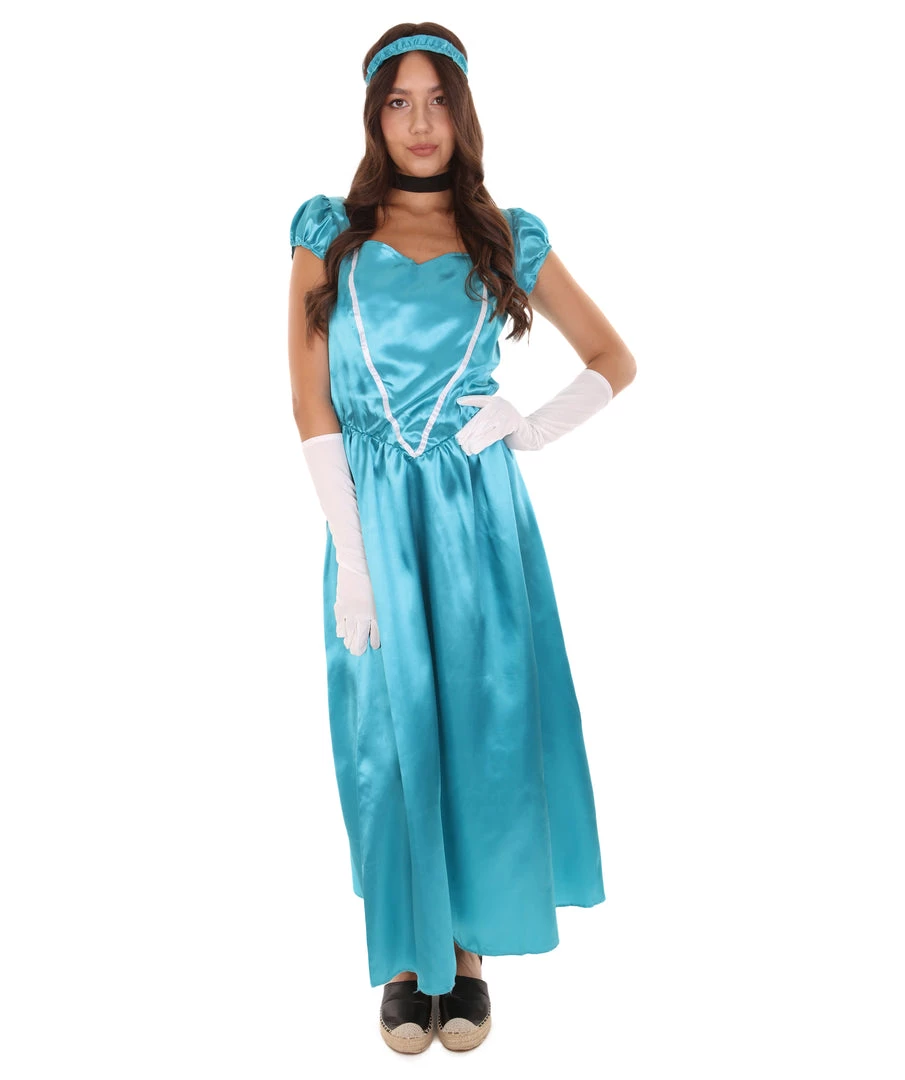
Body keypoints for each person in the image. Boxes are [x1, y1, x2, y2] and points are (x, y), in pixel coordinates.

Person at [287, 22, 636, 1054]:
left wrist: (529, 427)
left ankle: (469, 949)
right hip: (372, 517)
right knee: (388, 730)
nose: (420, 122)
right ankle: (411, 955)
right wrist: (353, 559)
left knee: (483, 722)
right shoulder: (327, 237)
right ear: (373, 116)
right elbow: (308, 403)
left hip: (478, 518)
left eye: (437, 99)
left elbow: (613, 357)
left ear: (463, 111)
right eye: (398, 101)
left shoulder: (506, 238)